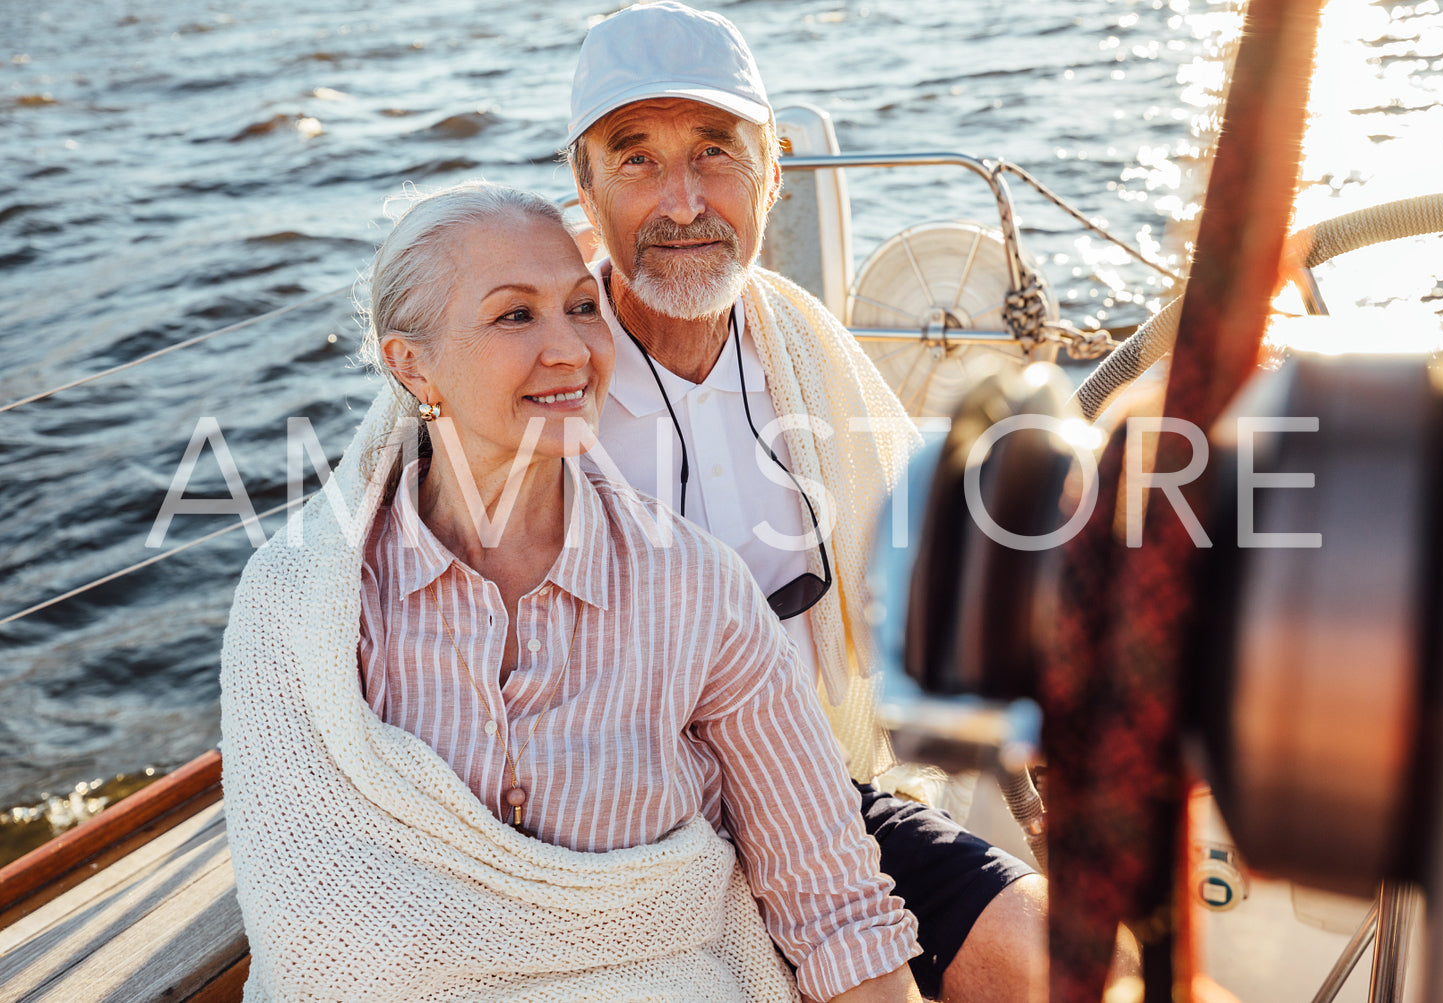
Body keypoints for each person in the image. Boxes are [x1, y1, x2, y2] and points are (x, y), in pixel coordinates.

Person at [218, 181, 925, 1002]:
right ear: (409, 364)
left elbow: (830, 897)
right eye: (515, 315)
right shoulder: (299, 604)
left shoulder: (696, 589)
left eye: (582, 307)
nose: (570, 350)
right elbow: (314, 932)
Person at [562, 4, 1055, 999]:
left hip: (819, 802)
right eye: (636, 160)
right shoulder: (532, 368)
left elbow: (920, 562)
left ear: (773, 172)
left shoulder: (799, 344)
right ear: (582, 188)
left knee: (1057, 954)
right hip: (618, 848)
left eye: (715, 153)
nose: (684, 202)